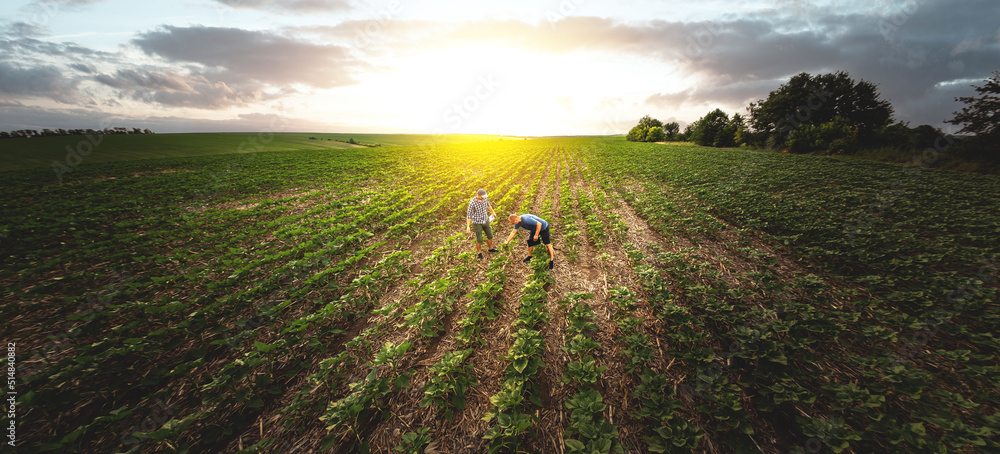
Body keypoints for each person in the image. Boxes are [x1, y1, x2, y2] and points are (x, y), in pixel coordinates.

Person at [466, 188, 498, 259]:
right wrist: (468, 226)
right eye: (482, 197)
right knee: (479, 238)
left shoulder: (485, 199)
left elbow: (488, 205)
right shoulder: (472, 202)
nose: (484, 198)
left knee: (490, 235)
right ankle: (479, 252)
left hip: (485, 219)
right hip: (477, 222)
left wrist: (493, 212)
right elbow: (469, 215)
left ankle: (490, 249)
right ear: (478, 195)